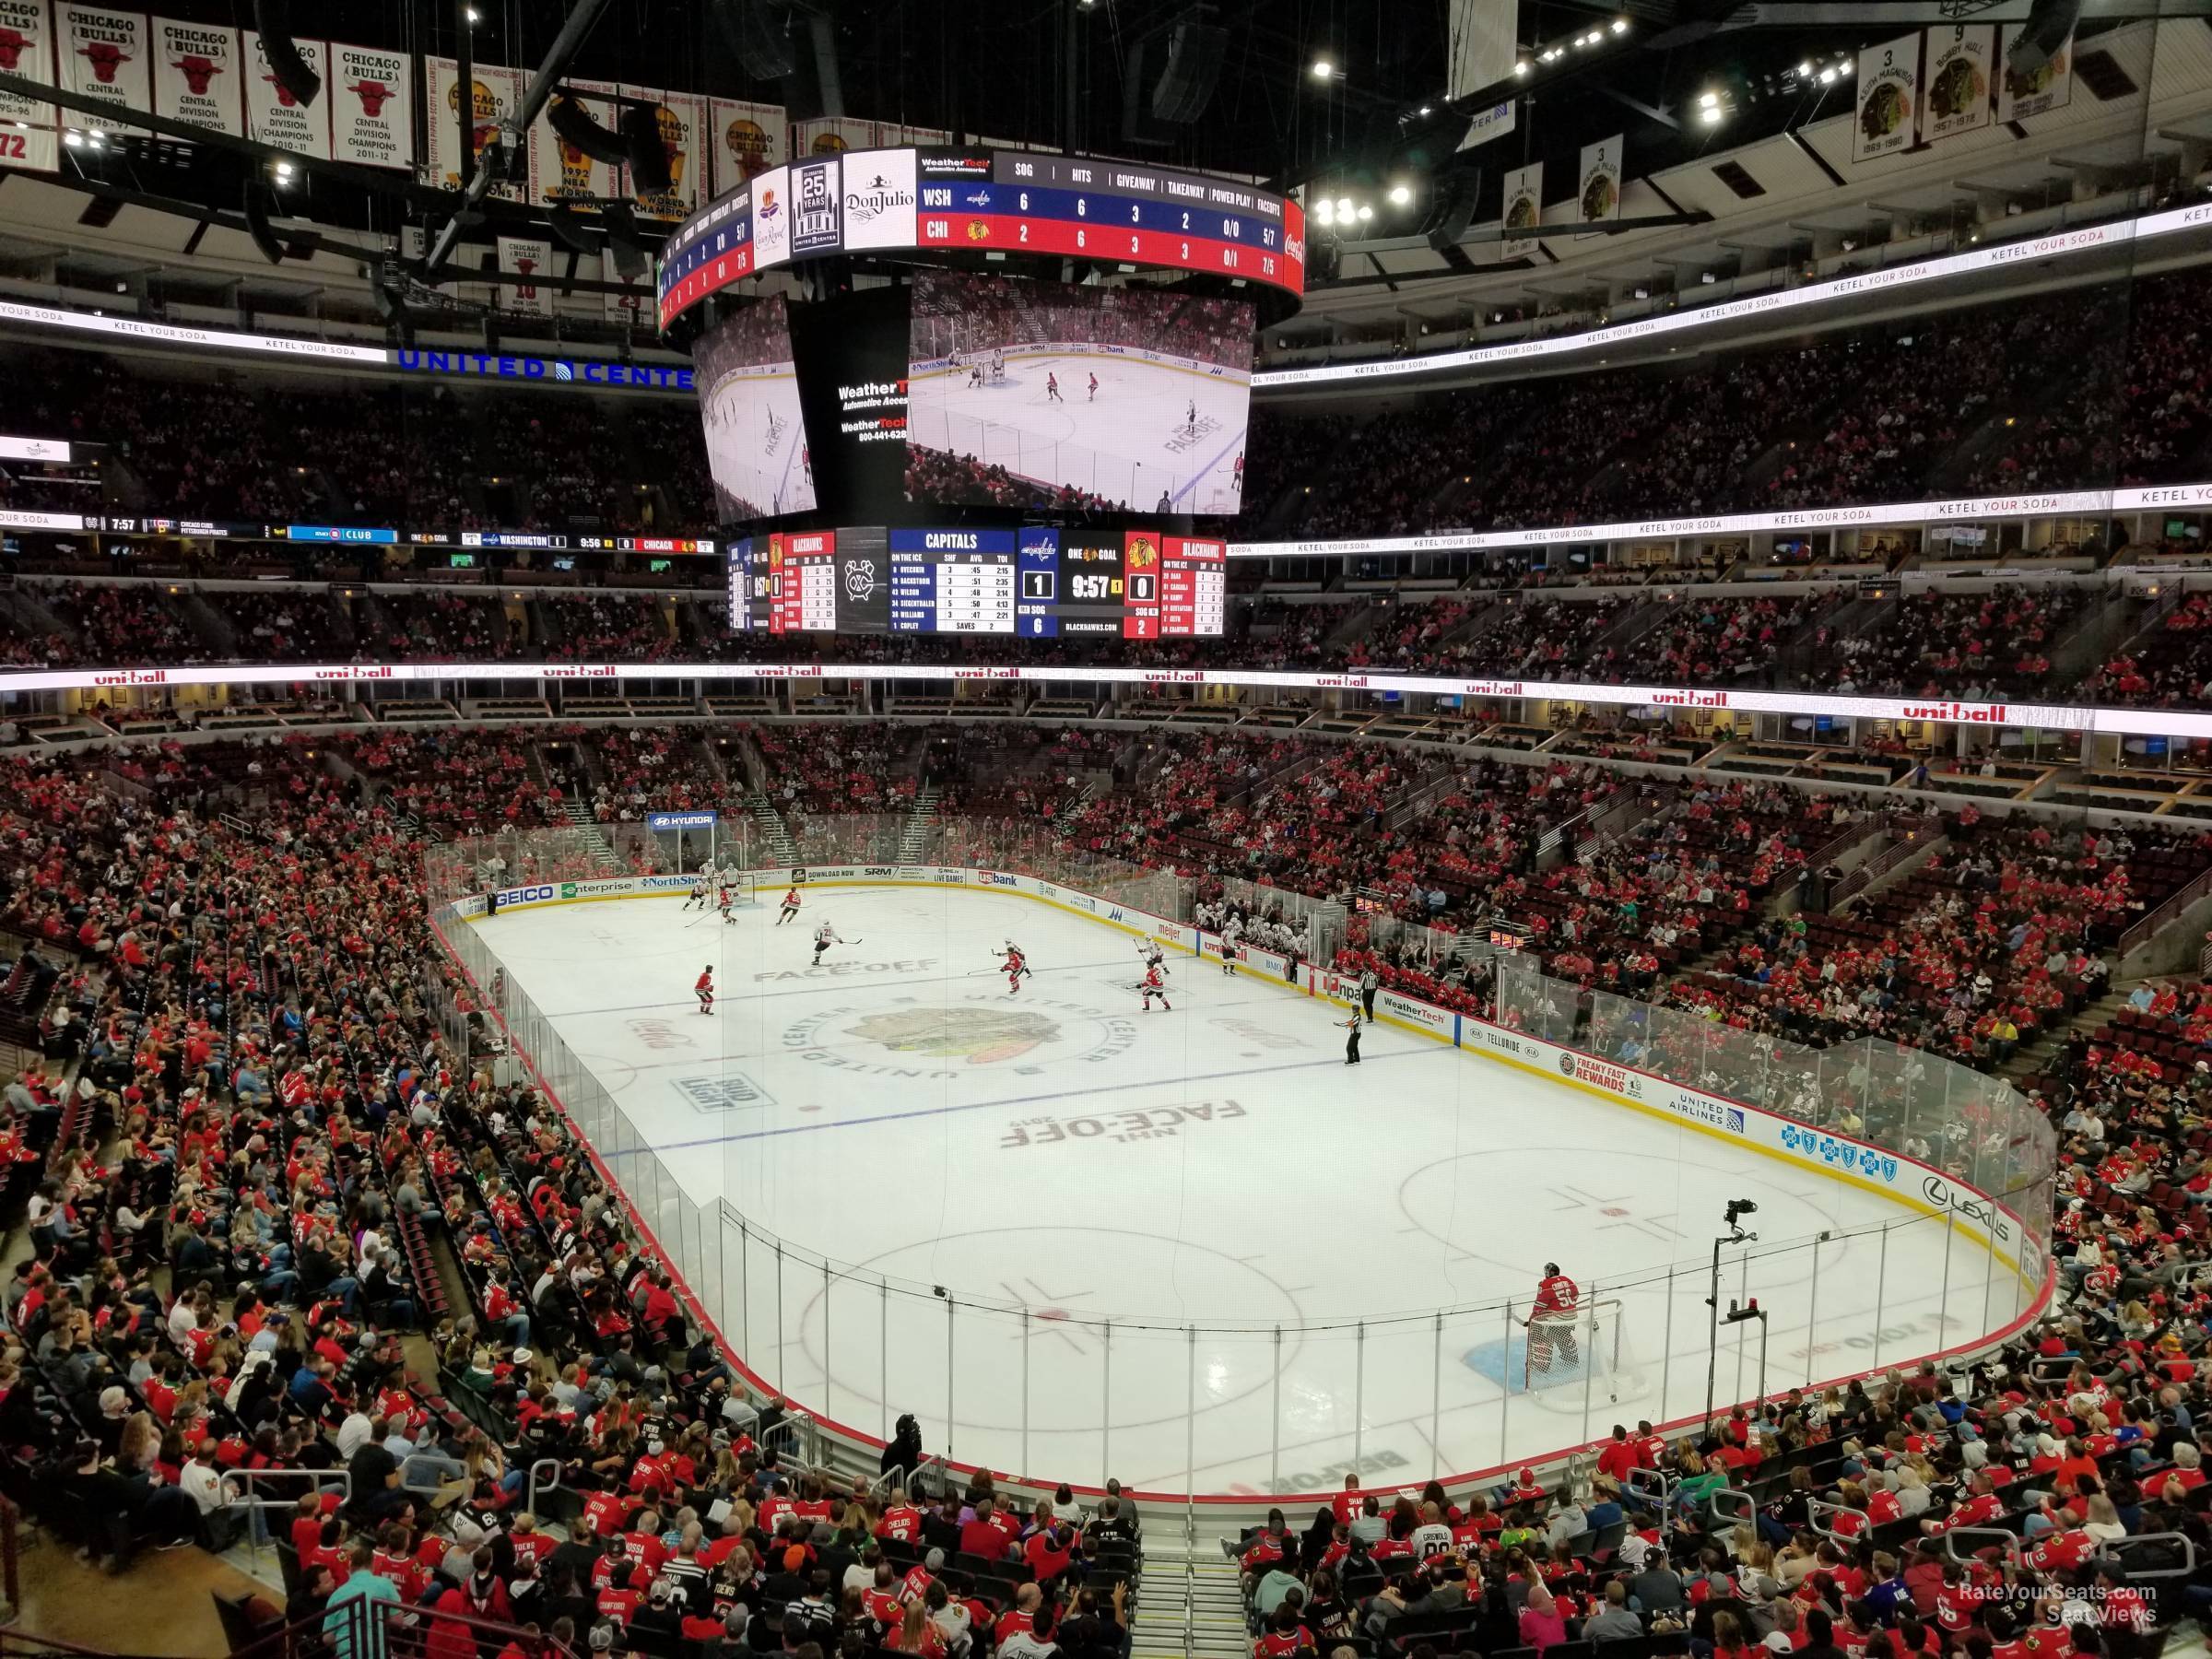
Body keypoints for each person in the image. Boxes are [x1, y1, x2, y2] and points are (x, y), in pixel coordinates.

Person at [1525, 1263, 1581, 1372]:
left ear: (1547, 1272)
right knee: (1563, 1334)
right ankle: (1571, 1358)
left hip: (1555, 1318)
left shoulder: (1545, 1284)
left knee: (1539, 1334)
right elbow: (1576, 1294)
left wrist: (1533, 1318)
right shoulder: (1567, 1279)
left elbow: (1539, 1306)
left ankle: (1541, 1366)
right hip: (1571, 1316)